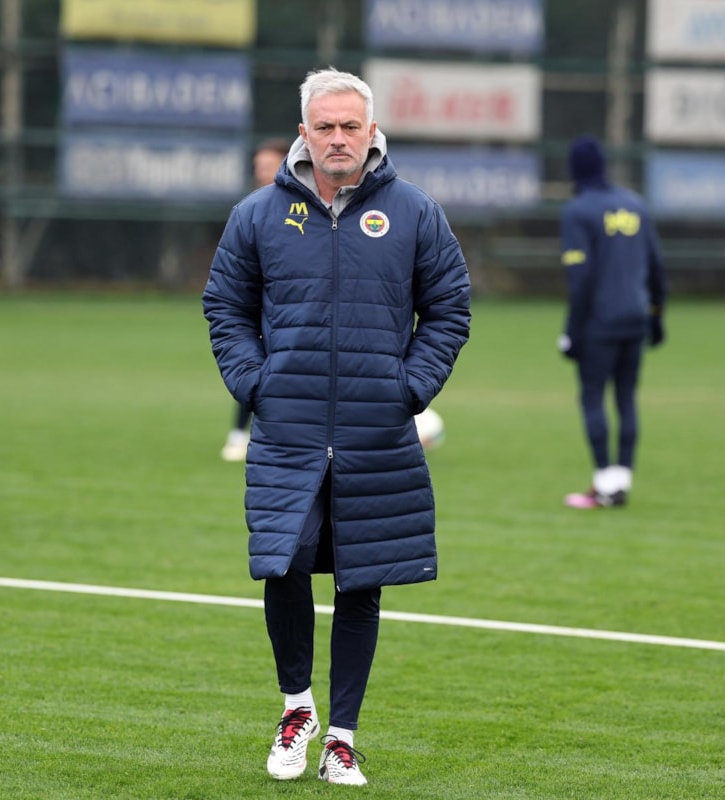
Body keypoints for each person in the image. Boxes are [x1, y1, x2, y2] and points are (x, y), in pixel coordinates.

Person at [202, 68, 470, 785]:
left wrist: (409, 389)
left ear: (372, 131)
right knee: (283, 563)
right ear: (304, 134)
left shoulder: (415, 212)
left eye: (352, 126)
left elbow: (449, 308)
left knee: (363, 578)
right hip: (286, 429)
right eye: (325, 127)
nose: (339, 138)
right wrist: (254, 383)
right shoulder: (257, 215)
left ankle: (342, 739)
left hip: (375, 431)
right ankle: (297, 708)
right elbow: (224, 305)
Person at [557, 134, 667, 509]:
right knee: (626, 398)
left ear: (574, 169)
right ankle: (620, 482)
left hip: (599, 322)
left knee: (592, 397)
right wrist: (656, 318)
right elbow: (656, 268)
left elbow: (580, 279)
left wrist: (571, 332)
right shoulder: (635, 204)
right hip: (636, 318)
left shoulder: (578, 210)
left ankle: (605, 482)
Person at [221, 138, 292, 462]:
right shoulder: (251, 209)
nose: (262, 172)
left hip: (291, 309)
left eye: (269, 165)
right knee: (253, 367)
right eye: (258, 167)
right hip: (260, 308)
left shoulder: (303, 208)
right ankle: (239, 435)